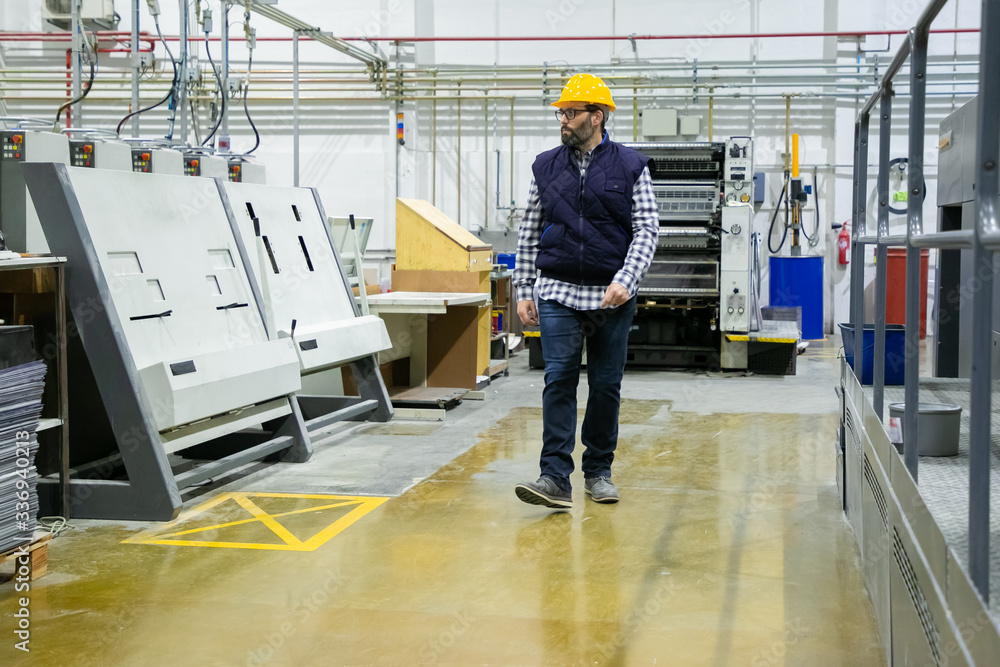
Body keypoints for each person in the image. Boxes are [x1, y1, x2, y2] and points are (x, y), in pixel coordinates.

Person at [513, 73, 658, 509]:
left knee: (605, 385)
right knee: (558, 379)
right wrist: (523, 288)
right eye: (561, 112)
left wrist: (626, 280)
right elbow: (529, 230)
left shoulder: (630, 166)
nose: (563, 119)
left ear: (597, 117)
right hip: (557, 291)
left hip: (610, 296)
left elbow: (647, 230)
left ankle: (598, 471)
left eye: (571, 112)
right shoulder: (545, 166)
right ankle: (555, 477)